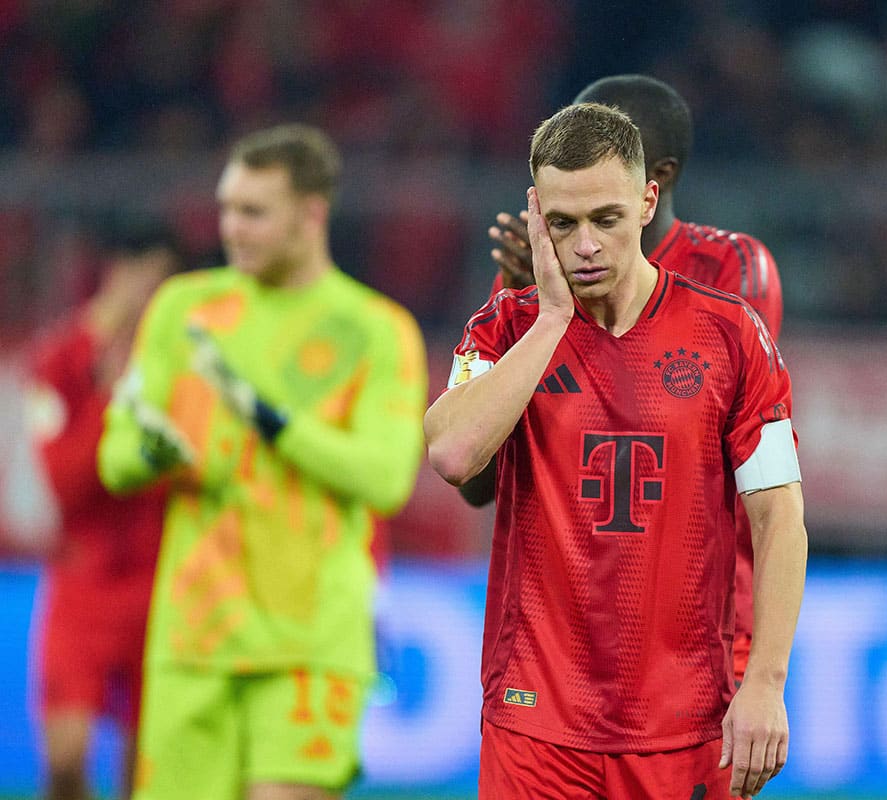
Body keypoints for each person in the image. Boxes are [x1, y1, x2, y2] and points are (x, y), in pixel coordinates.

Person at [425, 102, 807, 799]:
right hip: (533, 718)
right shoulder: (504, 327)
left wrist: (767, 683)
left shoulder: (731, 335)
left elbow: (780, 518)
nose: (587, 246)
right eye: (563, 224)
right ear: (537, 216)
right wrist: (552, 321)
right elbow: (452, 454)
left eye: (606, 218)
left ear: (647, 200)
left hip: (685, 721)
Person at [97, 123, 428, 800]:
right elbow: (115, 459)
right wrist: (155, 452)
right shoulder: (184, 309)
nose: (230, 227)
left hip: (310, 644)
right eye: (225, 208)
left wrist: (270, 420)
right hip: (195, 638)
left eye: (252, 211)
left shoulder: (375, 328)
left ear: (311, 214)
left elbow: (386, 478)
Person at [468, 74, 784, 683]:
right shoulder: (533, 291)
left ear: (651, 182)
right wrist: (526, 299)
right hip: (560, 640)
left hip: (699, 625)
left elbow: (700, 435)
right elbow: (478, 485)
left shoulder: (730, 272)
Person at [25, 223, 182, 800]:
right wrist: (104, 397)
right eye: (134, 274)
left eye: (157, 280)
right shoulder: (61, 362)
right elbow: (64, 483)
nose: (144, 292)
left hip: (164, 579)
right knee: (65, 760)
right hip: (85, 580)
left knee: (147, 769)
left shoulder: (183, 366)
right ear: (109, 276)